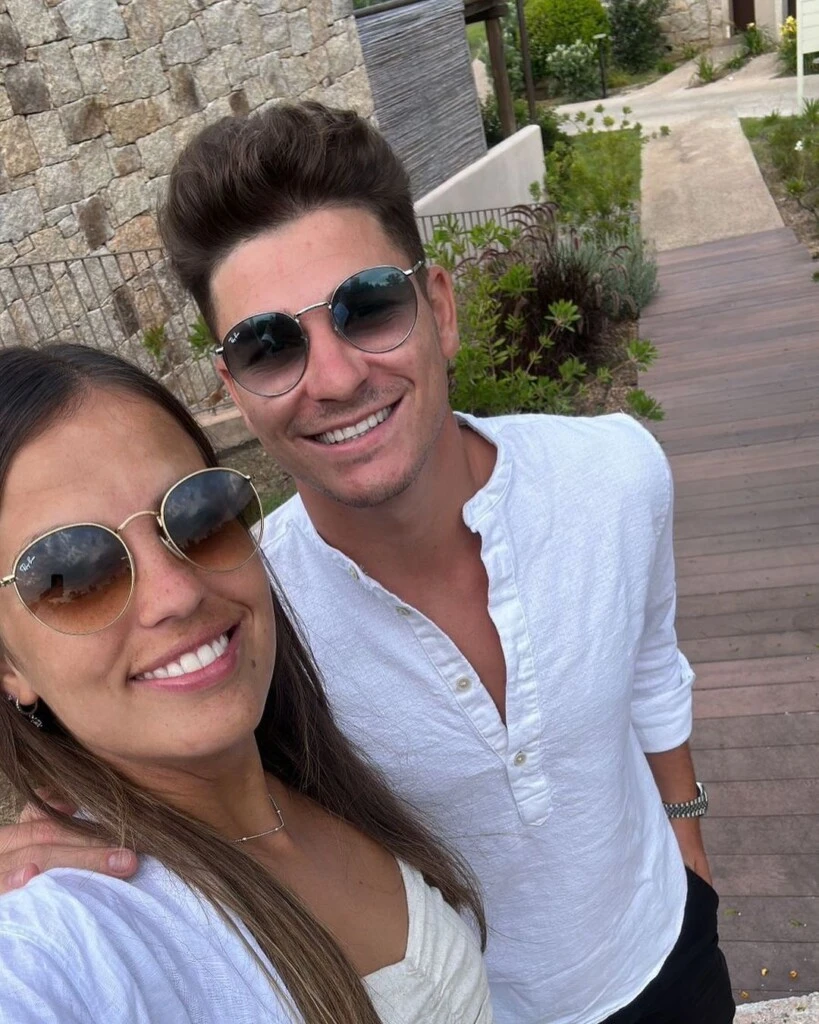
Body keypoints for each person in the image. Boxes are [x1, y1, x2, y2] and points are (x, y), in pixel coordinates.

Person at [0, 103, 736, 1023]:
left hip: (669, 946)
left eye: (369, 306)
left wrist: (686, 836)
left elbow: (652, 668)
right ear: (235, 389)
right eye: (268, 345)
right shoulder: (239, 622)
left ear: (439, 309)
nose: (337, 377)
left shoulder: (616, 472)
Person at [0, 344, 493, 1024]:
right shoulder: (69, 936)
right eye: (73, 575)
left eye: (198, 516)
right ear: (9, 666)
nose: (176, 593)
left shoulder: (312, 776)